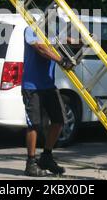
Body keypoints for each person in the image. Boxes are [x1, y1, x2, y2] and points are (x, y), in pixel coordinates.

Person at [22, 25, 75, 177]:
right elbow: (40, 48)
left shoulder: (53, 32)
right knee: (34, 124)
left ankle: (46, 157)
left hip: (48, 85)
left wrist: (85, 41)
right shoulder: (30, 30)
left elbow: (66, 41)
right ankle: (30, 164)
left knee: (59, 120)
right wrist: (60, 59)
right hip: (32, 86)